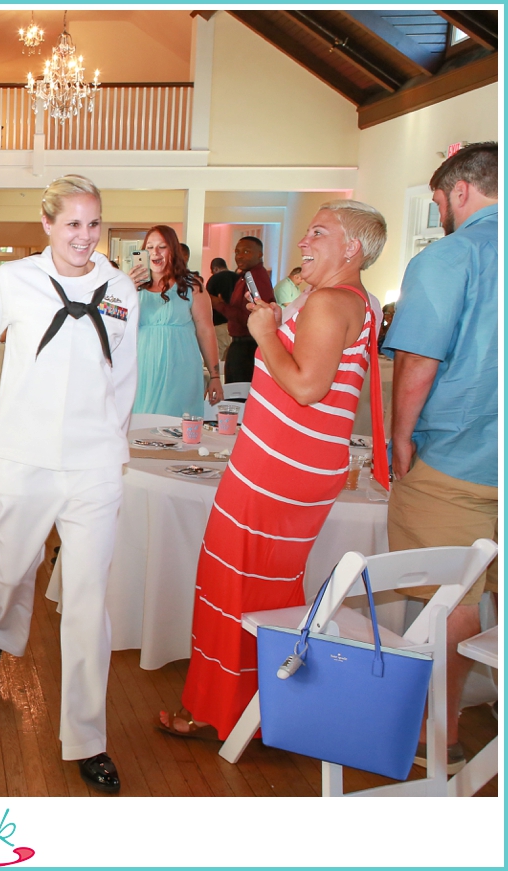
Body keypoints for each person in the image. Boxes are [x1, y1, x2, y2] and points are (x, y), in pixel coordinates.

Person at [0, 175, 138, 793]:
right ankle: (4, 629)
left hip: (94, 464)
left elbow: (125, 376)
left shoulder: (120, 288)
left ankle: (87, 737)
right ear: (48, 225)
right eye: (72, 224)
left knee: (89, 599)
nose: (84, 236)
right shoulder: (15, 282)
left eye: (94, 224)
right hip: (23, 455)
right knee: (16, 567)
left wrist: (114, 444)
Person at [159, 201, 389, 741]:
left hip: (276, 470)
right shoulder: (349, 300)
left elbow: (308, 387)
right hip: (298, 467)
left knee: (232, 586)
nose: (304, 241)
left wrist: (264, 333)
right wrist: (281, 314)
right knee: (266, 590)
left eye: (318, 233)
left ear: (352, 248)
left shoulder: (333, 301)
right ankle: (261, 709)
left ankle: (222, 712)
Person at [382, 142, 498, 775]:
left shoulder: (450, 257)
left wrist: (402, 437)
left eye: (437, 202)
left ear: (459, 191)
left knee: (455, 597)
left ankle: (443, 733)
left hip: (458, 461)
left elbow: (420, 359)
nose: (439, 214)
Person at [128, 225, 220, 417]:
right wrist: (125, 290)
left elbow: (206, 331)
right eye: (150, 247)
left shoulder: (192, 286)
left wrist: (215, 376)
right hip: (143, 367)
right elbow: (115, 324)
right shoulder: (131, 287)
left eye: (162, 247)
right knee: (141, 426)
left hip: (182, 367)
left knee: (177, 425)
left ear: (173, 250)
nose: (155, 252)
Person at [216, 236, 274, 383]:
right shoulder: (245, 276)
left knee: (239, 397)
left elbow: (248, 318)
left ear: (259, 254)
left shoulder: (255, 278)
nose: (239, 256)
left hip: (248, 347)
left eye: (246, 251)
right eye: (237, 252)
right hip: (241, 345)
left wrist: (218, 304)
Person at [204, 257, 237, 360]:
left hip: (219, 323)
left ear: (215, 269)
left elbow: (208, 301)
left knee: (214, 359)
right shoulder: (238, 278)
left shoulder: (214, 279)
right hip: (237, 325)